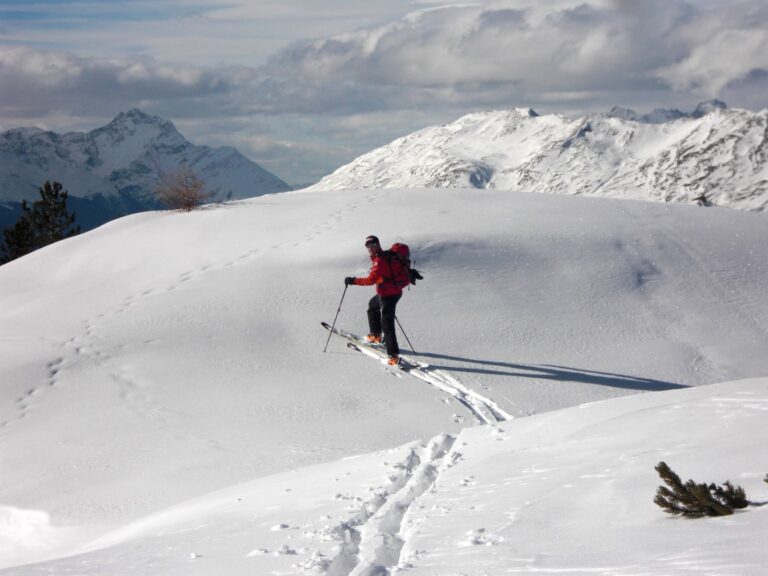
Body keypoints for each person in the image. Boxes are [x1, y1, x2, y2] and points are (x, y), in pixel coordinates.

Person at [345, 235, 403, 366]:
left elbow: (371, 280)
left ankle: (393, 355)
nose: (370, 249)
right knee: (372, 306)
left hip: (390, 295)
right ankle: (376, 335)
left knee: (387, 324)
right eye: (368, 247)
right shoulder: (383, 256)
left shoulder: (380, 260)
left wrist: (353, 281)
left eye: (372, 246)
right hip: (389, 292)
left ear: (377, 245)